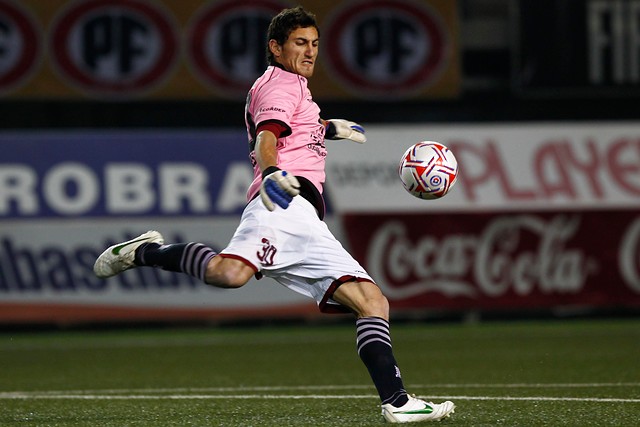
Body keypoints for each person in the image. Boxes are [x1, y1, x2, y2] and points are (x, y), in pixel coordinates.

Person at [94, 6, 455, 423]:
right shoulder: (280, 85)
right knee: (228, 275)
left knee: (372, 301)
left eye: (315, 44)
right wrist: (270, 173)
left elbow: (290, 128)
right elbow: (268, 134)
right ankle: (146, 252)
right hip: (283, 205)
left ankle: (397, 402)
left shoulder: (291, 86)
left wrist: (324, 129)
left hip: (307, 222)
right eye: (300, 43)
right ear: (275, 46)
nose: (310, 52)